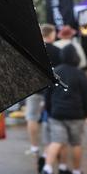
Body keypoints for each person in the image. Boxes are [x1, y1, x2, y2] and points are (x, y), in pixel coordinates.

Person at [39, 44, 87, 174]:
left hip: (57, 113)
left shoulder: (55, 72)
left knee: (56, 141)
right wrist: (86, 113)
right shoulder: (80, 74)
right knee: (76, 143)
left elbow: (47, 95)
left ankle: (48, 169)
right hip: (76, 114)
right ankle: (76, 173)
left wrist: (49, 111)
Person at [25, 24, 62, 158]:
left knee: (32, 118)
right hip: (53, 91)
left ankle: (34, 147)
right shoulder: (58, 51)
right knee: (51, 120)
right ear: (51, 34)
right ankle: (50, 148)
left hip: (35, 89)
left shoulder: (33, 50)